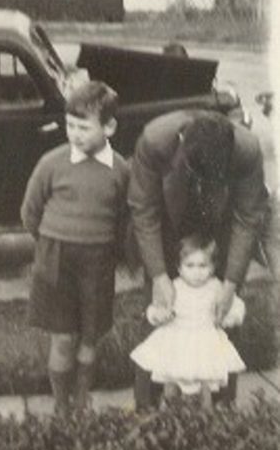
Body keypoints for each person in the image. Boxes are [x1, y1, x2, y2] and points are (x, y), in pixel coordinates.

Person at [128, 109, 269, 407]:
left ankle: (221, 407)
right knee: (159, 314)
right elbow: (144, 211)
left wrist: (230, 284)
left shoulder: (246, 150)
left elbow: (247, 218)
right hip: (167, 223)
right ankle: (147, 406)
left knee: (221, 321)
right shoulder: (155, 142)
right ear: (181, 142)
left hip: (220, 226)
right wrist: (159, 276)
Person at [21, 81, 129, 417]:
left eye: (84, 127)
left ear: (109, 127)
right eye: (71, 126)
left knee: (89, 336)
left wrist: (110, 250)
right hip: (56, 258)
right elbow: (30, 212)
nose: (75, 134)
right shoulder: (51, 163)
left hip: (97, 260)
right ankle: (61, 407)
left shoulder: (120, 169)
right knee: (63, 337)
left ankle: (82, 399)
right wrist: (51, 243)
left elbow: (123, 218)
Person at [130, 234, 246, 409]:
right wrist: (158, 316)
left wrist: (230, 318)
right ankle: (169, 415)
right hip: (176, 340)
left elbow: (237, 305)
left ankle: (206, 416)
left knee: (205, 381)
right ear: (179, 267)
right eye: (189, 266)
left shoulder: (216, 287)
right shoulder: (173, 287)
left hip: (205, 340)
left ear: (213, 267)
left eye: (202, 266)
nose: (196, 272)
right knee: (170, 379)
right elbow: (154, 309)